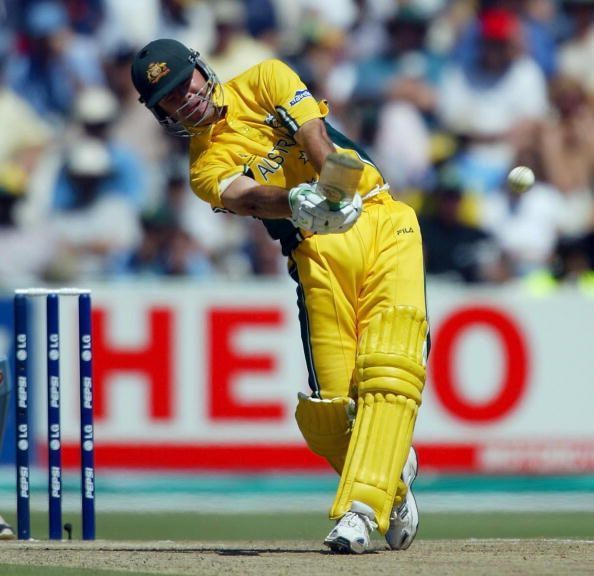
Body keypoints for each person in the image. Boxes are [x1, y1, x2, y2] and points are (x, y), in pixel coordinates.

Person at [131, 38, 429, 554]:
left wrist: (334, 192)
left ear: (202, 70)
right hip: (315, 255)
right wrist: (295, 202)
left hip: (380, 220)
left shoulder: (266, 78)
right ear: (161, 115)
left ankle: (358, 512)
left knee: (389, 367)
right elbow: (248, 198)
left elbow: (316, 138)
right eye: (170, 100)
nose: (185, 99)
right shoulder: (203, 168)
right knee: (329, 416)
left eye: (186, 84)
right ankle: (392, 486)